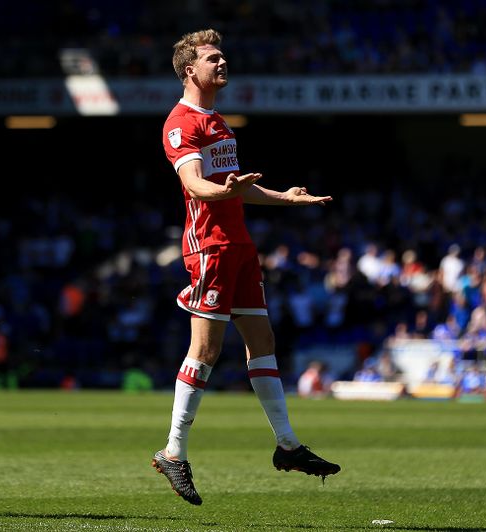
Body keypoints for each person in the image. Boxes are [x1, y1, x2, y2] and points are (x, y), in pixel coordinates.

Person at [152, 29, 340, 505]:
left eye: (222, 56)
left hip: (239, 245)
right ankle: (173, 451)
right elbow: (197, 186)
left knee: (263, 342)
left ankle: (287, 446)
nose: (222, 63)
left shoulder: (219, 122)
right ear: (190, 69)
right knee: (207, 350)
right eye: (213, 58)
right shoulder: (181, 123)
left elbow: (234, 186)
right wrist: (228, 190)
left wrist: (283, 197)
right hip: (210, 248)